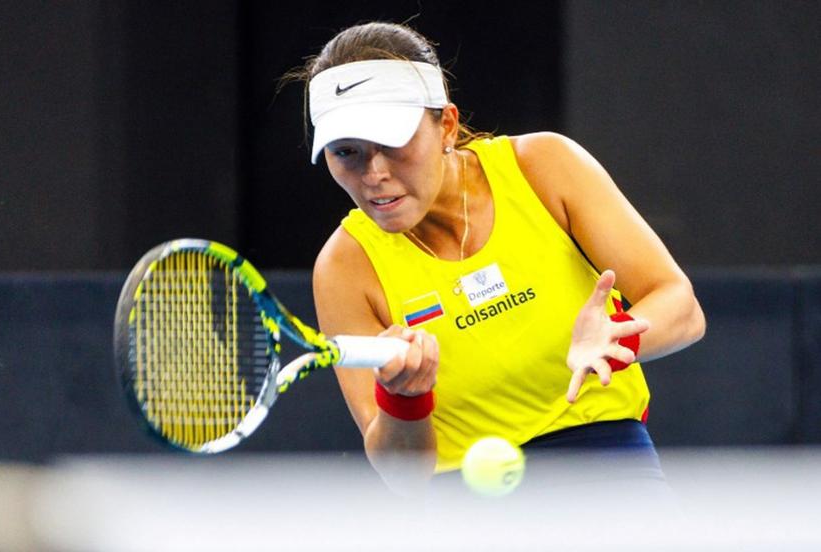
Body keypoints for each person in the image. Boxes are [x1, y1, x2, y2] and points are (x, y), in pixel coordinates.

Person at [294, 21, 706, 495]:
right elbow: (402, 473)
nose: (374, 174)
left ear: (446, 124)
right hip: (463, 505)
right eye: (347, 153)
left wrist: (617, 341)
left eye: (392, 144)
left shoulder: (545, 167)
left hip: (606, 467)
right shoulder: (345, 267)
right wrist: (404, 398)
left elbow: (682, 307)